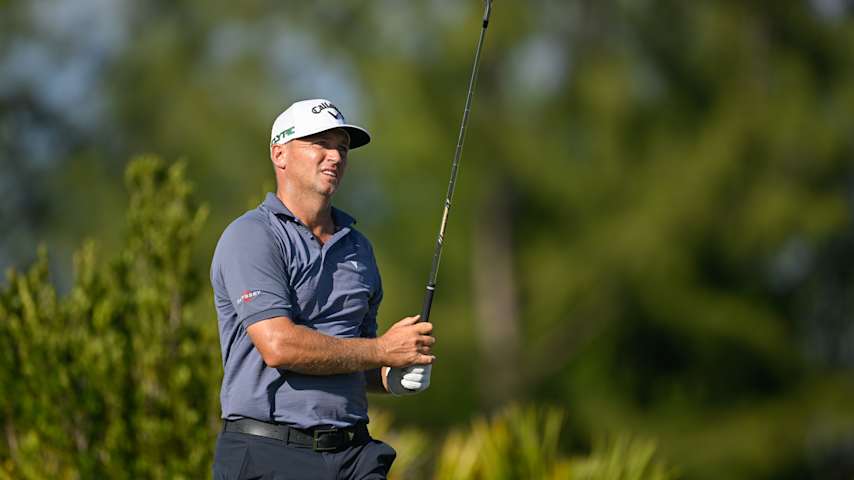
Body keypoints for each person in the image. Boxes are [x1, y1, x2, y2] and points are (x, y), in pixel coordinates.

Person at [210, 99, 435, 479]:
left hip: (354, 455)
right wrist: (382, 350)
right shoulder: (251, 237)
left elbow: (352, 354)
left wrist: (390, 375)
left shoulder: (358, 247)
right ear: (279, 154)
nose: (334, 156)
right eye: (320, 143)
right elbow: (279, 346)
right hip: (267, 453)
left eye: (342, 148)